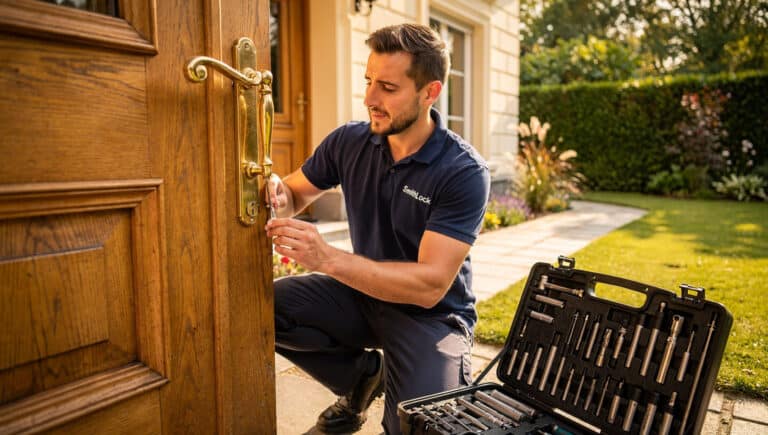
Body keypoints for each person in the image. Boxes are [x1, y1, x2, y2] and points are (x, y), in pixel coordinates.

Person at [266, 23, 490, 434]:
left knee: (421, 425)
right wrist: (275, 195)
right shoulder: (349, 142)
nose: (370, 98)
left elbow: (430, 285)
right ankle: (361, 379)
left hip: (432, 317)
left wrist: (327, 258)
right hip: (361, 296)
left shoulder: (463, 171)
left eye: (388, 87)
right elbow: (295, 194)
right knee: (261, 308)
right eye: (369, 81)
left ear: (430, 92)